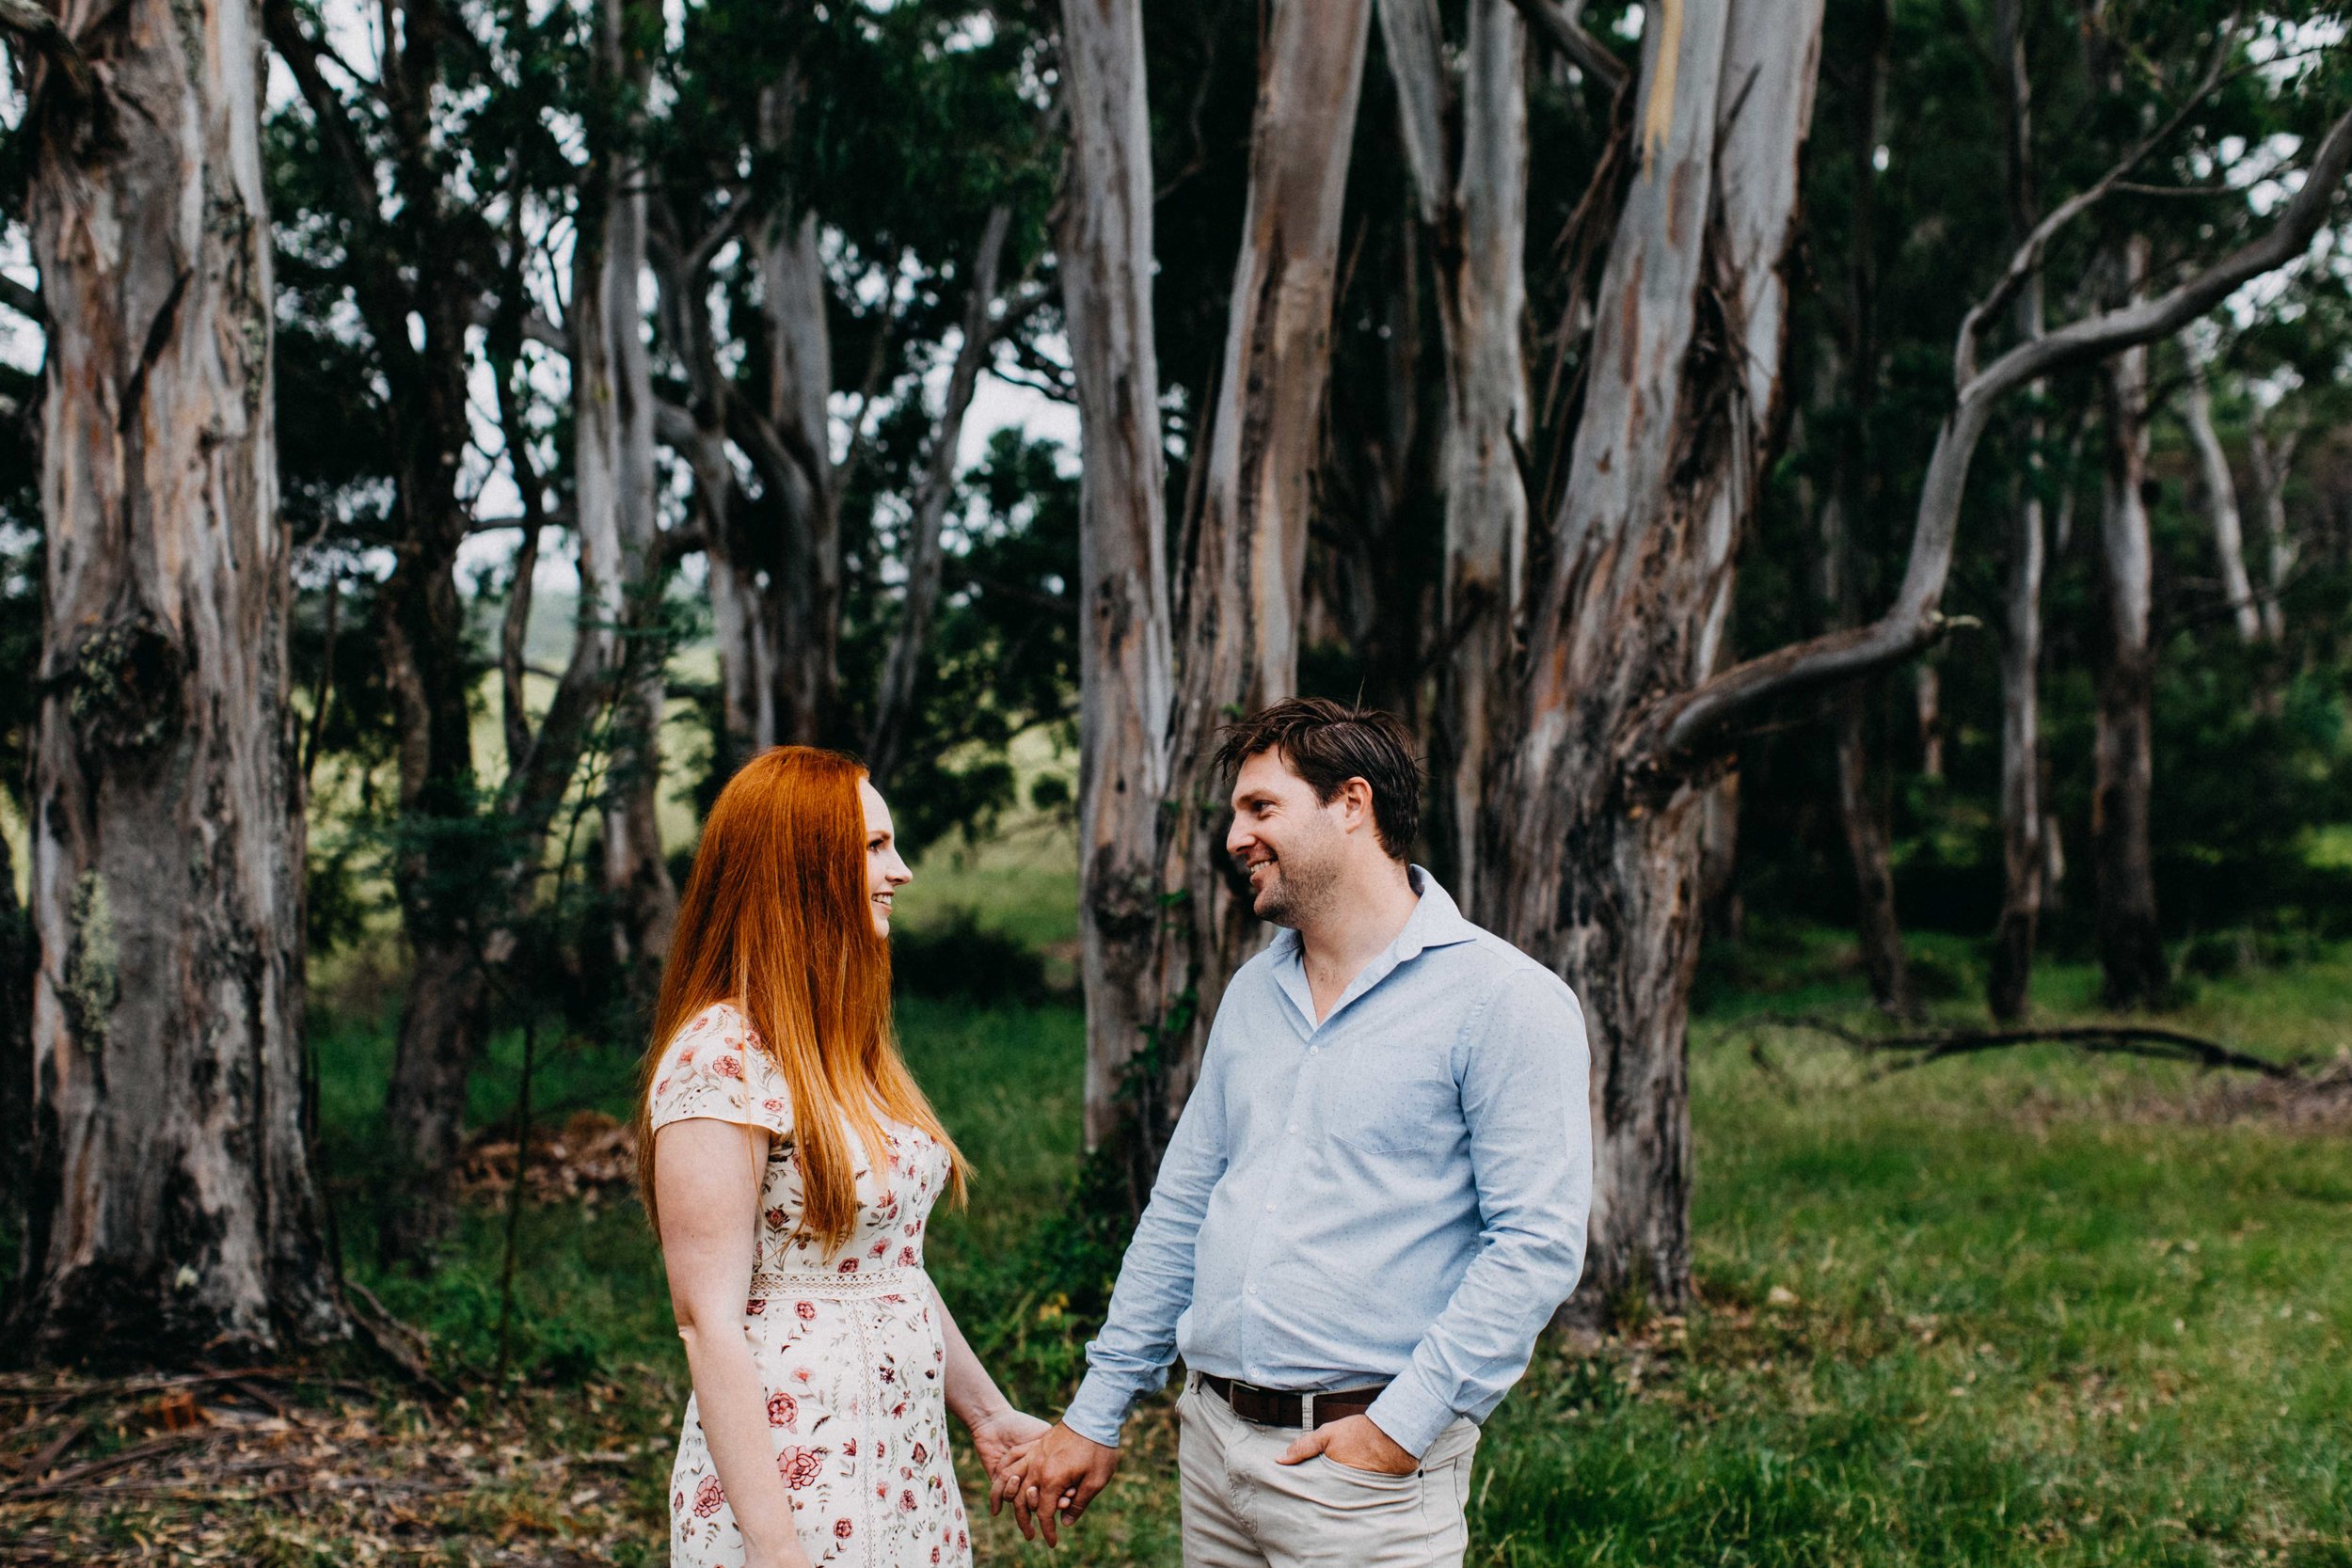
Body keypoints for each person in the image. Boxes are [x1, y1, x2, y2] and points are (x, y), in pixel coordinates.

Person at [995, 699, 1593, 1565]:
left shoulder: (1505, 999)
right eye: (1236, 814)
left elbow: (1535, 1243)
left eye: (1260, 808)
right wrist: (1100, 1407)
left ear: (1353, 803)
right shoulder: (1253, 993)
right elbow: (1183, 1209)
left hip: (1363, 1477)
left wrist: (1400, 1426)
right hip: (1212, 1452)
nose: (1235, 837)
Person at [635, 746, 1046, 1568]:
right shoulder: (720, 1053)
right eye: (874, 846)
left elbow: (888, 1266)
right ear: (802, 865)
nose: (902, 870)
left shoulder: (842, 1046)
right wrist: (774, 1544)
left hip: (903, 1470)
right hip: (793, 1488)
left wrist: (989, 1415)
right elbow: (704, 1320)